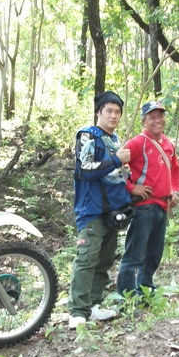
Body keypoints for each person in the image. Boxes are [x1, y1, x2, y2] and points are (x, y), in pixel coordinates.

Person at [67, 91, 133, 329]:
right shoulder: (88, 136)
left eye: (117, 112)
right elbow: (85, 170)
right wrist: (116, 160)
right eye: (109, 111)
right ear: (98, 112)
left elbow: (117, 176)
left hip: (113, 212)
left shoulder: (115, 140)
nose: (113, 116)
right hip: (92, 210)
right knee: (86, 260)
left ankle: (94, 305)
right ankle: (77, 311)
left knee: (104, 260)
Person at [116, 100, 179, 296]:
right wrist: (131, 187)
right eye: (152, 117)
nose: (157, 120)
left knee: (154, 254)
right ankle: (127, 297)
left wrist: (175, 190)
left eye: (160, 116)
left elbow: (175, 170)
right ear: (144, 121)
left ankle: (145, 290)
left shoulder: (168, 144)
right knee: (134, 254)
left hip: (162, 206)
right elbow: (115, 167)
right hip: (143, 207)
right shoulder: (138, 143)